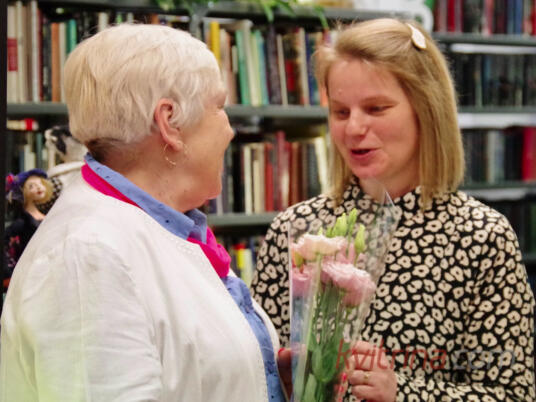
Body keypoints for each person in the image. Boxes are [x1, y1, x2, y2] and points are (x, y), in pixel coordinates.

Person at [251, 18, 536, 401]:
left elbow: (512, 394)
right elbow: (255, 376)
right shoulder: (298, 229)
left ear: (426, 109)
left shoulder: (482, 238)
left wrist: (402, 393)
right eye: (340, 112)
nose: (354, 128)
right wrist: (279, 384)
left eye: (376, 108)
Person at [0, 24, 286, 402]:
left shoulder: (162, 224)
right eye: (219, 107)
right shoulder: (89, 253)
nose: (229, 130)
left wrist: (271, 376)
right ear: (170, 121)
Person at [4, 169, 53, 277]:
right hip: (31, 270)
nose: (39, 187)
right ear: (23, 192)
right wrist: (8, 271)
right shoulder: (22, 221)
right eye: (31, 186)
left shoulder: (43, 215)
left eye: (40, 183)